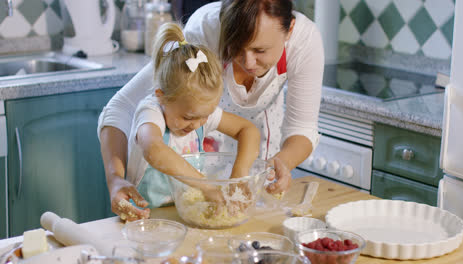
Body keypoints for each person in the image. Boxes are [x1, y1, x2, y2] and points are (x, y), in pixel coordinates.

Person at [98, 0, 324, 221]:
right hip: (186, 195)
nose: (248, 62)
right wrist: (115, 179)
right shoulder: (203, 32)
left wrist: (250, 175)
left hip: (253, 180)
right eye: (235, 47)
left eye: (260, 50)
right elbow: (123, 108)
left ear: (289, 30)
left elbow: (301, 128)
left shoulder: (305, 41)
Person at [114, 22, 261, 221]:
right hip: (143, 216)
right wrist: (206, 186)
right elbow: (154, 149)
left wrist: (239, 175)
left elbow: (248, 130)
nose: (198, 124)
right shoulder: (151, 112)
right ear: (162, 97)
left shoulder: (198, 114)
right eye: (188, 118)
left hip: (184, 213)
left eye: (206, 116)